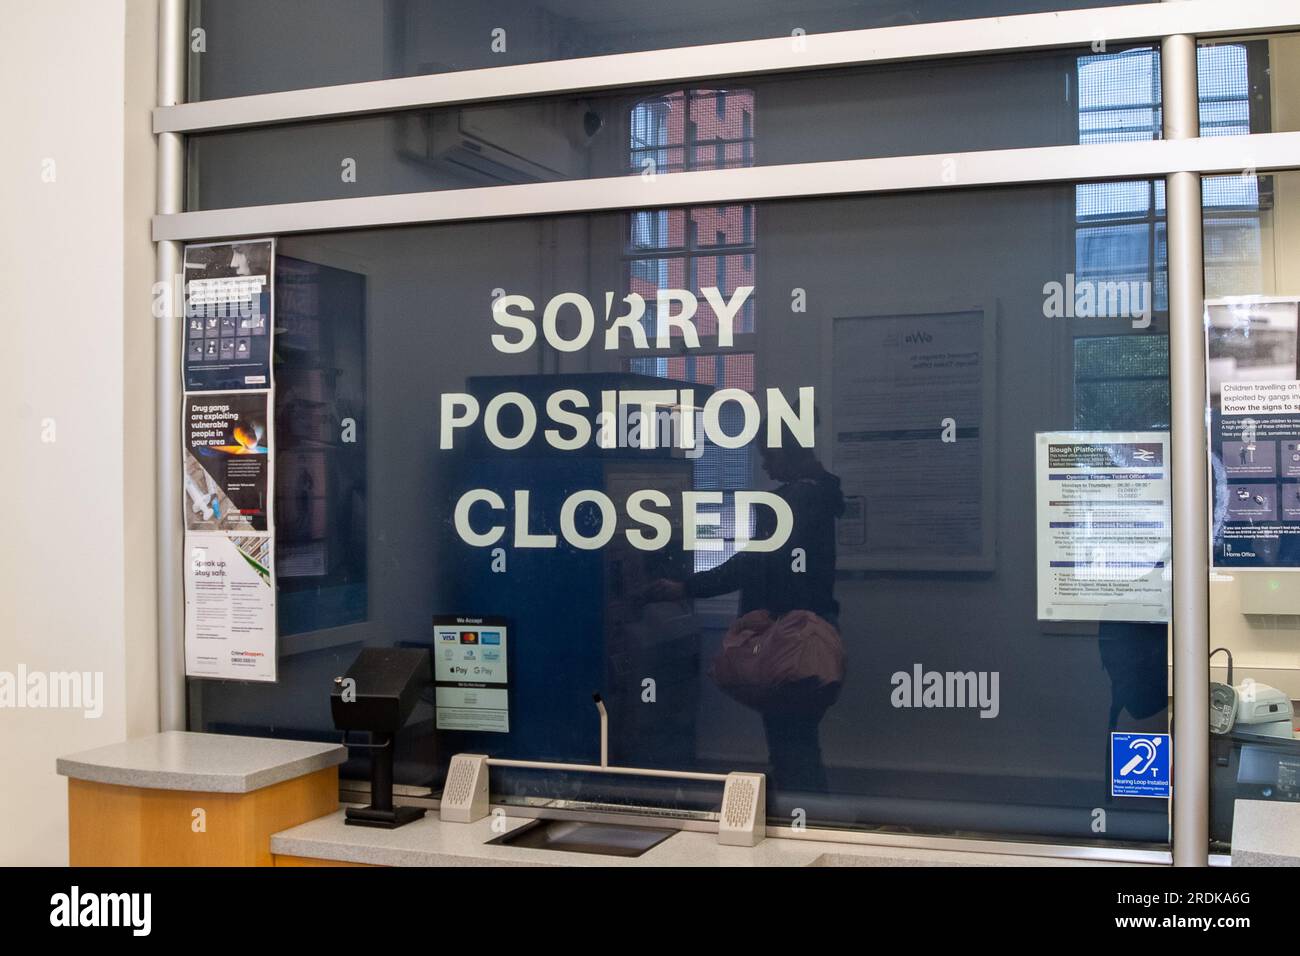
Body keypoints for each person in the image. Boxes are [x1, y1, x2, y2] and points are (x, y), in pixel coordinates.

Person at [648, 432, 845, 793]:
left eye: (769, 456)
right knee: (798, 738)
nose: (766, 466)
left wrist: (685, 587)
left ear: (789, 454)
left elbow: (750, 565)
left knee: (790, 741)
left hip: (787, 638)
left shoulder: (791, 501)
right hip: (814, 631)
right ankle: (807, 813)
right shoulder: (823, 492)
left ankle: (803, 819)